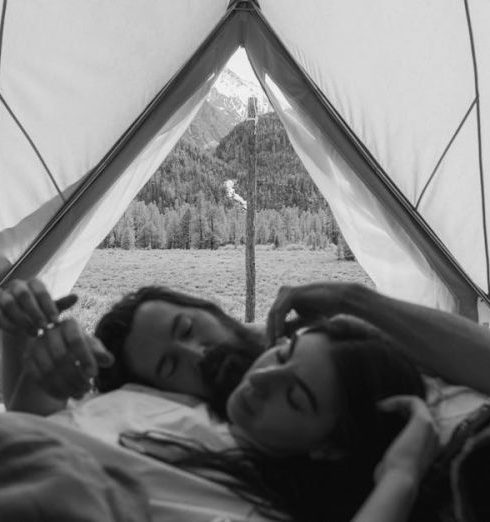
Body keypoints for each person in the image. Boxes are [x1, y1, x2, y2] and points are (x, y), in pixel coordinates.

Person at [0, 278, 438, 522]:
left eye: (189, 330)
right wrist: (42, 357)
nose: (265, 377)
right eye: (170, 368)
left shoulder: (256, 491)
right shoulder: (146, 397)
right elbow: (46, 421)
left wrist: (400, 476)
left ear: (214, 310)